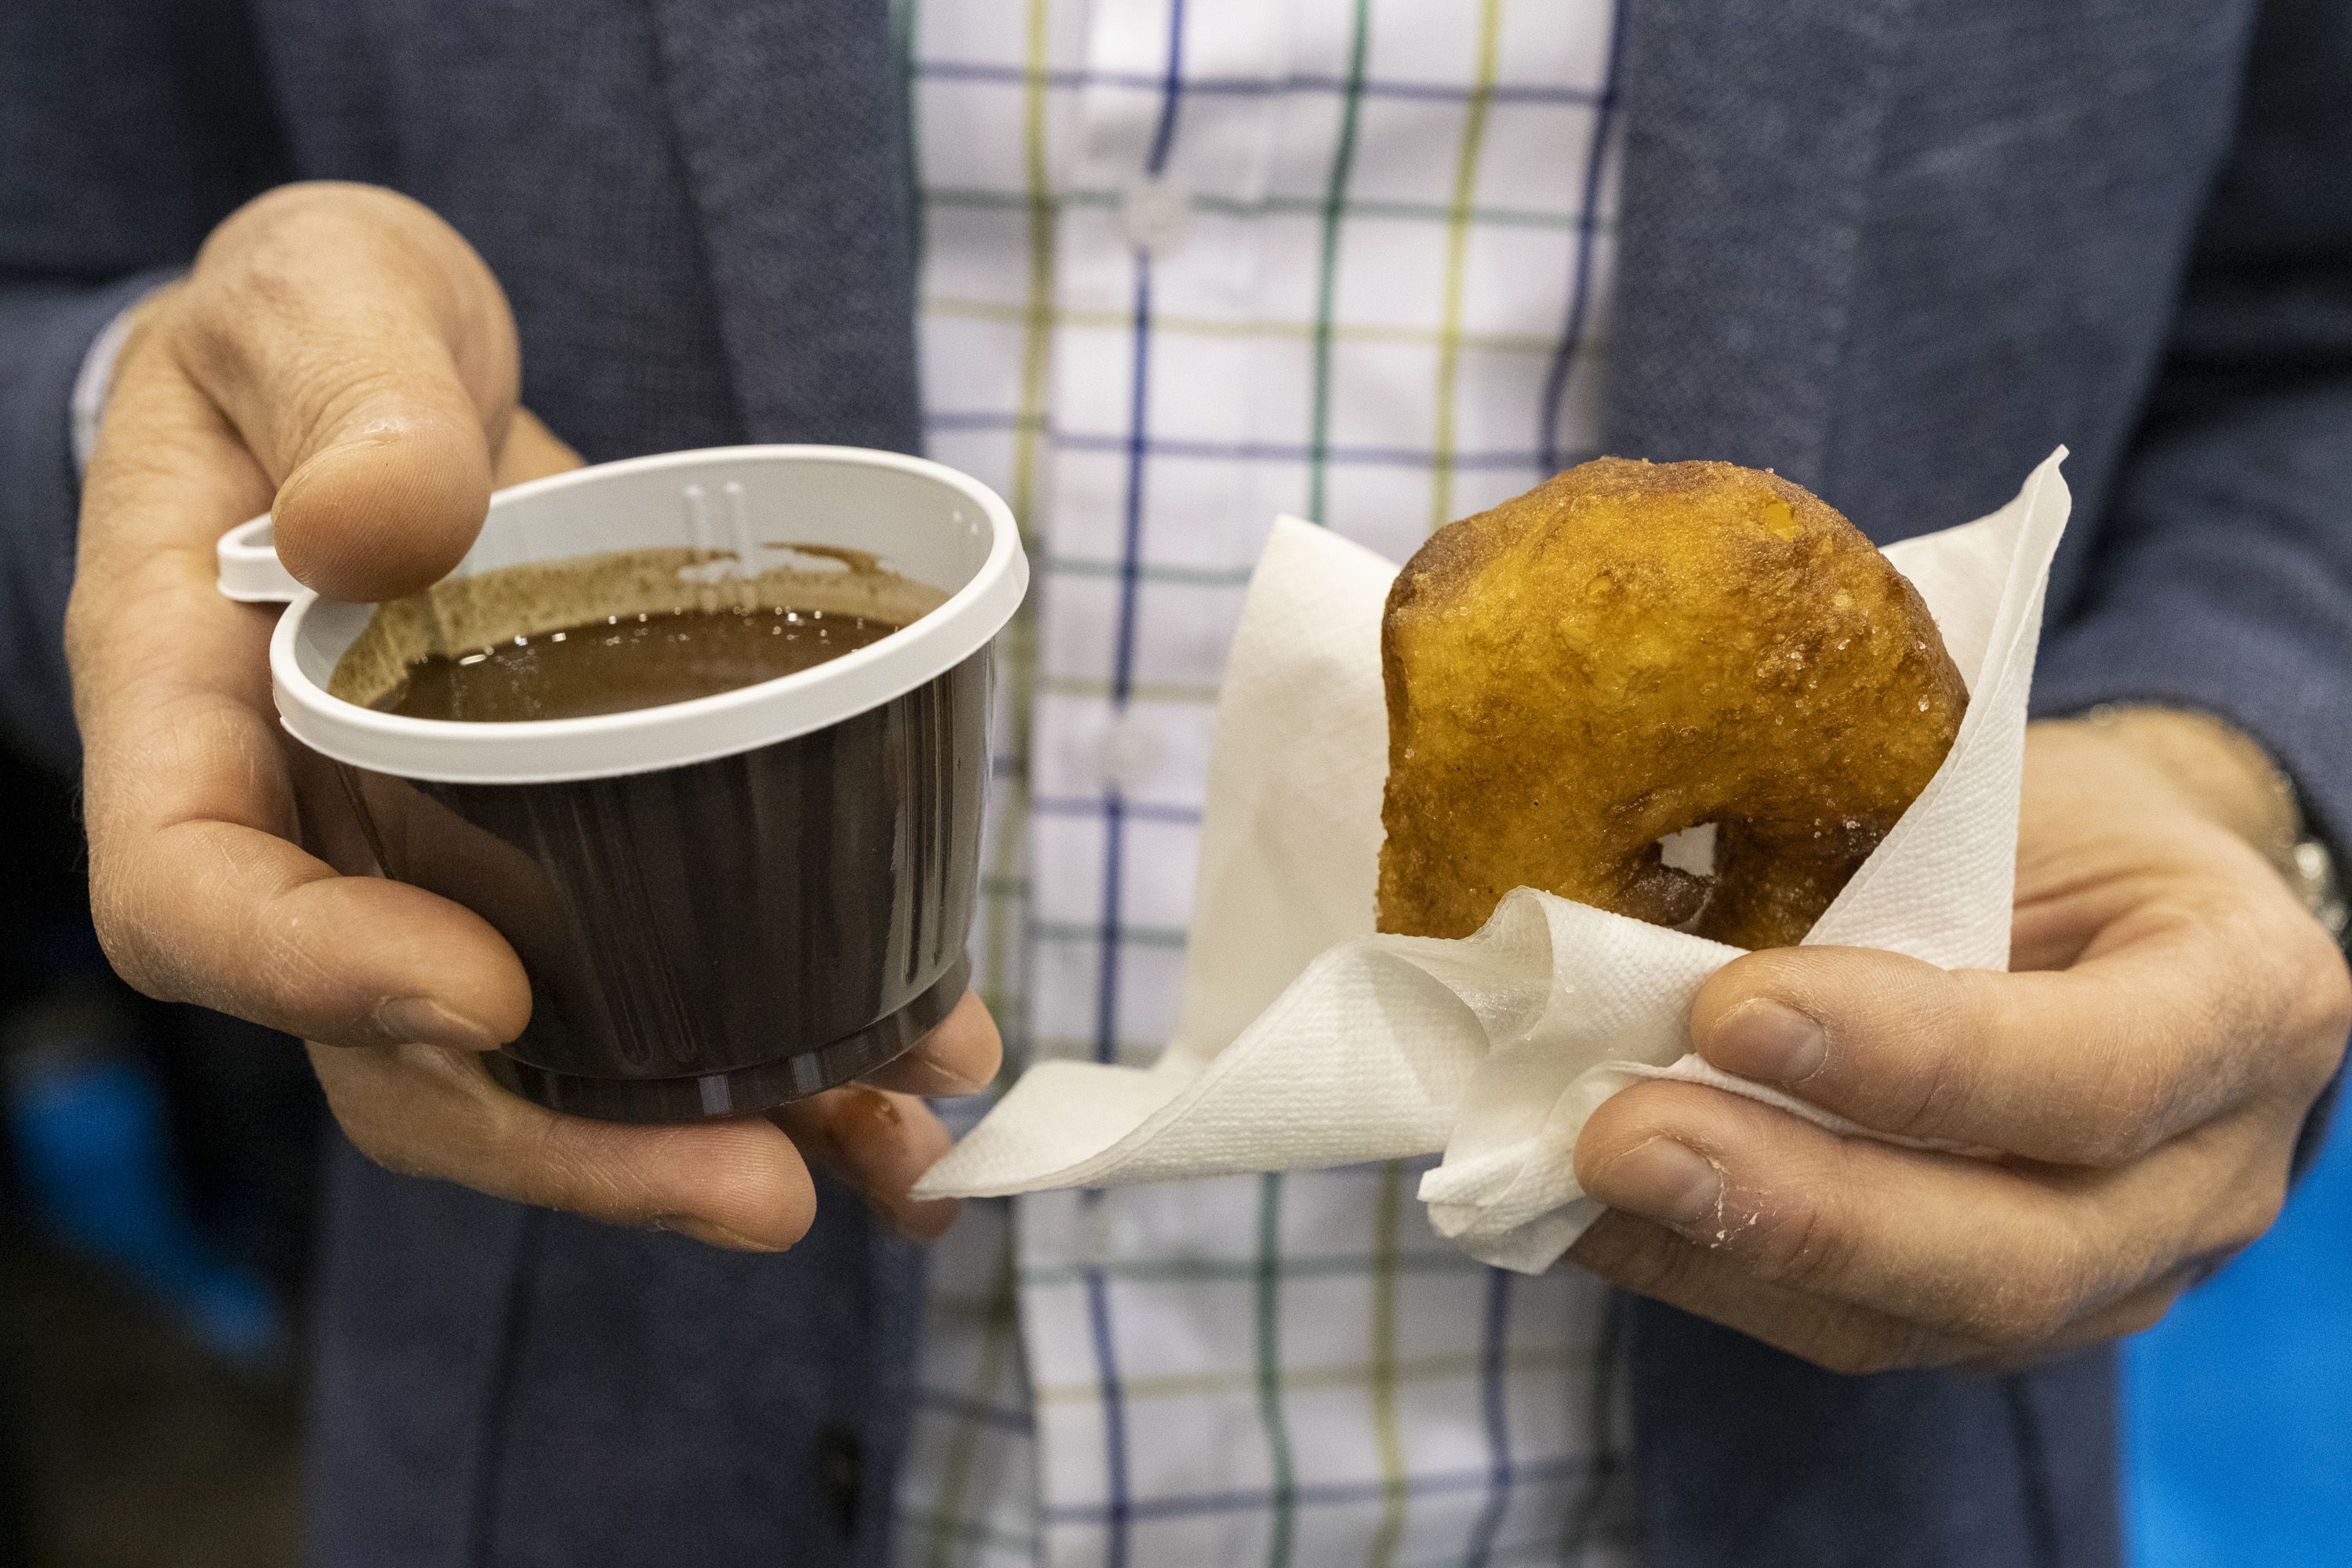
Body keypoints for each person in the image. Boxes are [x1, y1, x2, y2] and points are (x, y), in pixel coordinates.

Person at [5, 1, 2349, 1564]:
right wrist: (153, 448)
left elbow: (2310, 344)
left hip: (1825, 1470)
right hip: (602, 1438)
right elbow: (57, 256)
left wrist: (2245, 771)